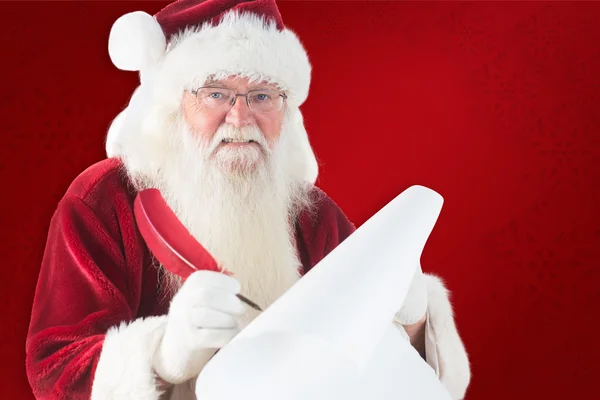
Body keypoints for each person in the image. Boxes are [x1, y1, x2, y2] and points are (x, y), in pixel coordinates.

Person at [25, 0, 471, 399]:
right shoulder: (103, 201)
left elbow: (372, 367)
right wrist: (164, 354)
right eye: (215, 93)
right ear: (173, 104)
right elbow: (54, 369)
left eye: (261, 96)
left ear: (285, 111)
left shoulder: (312, 215)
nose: (240, 118)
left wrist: (411, 319)